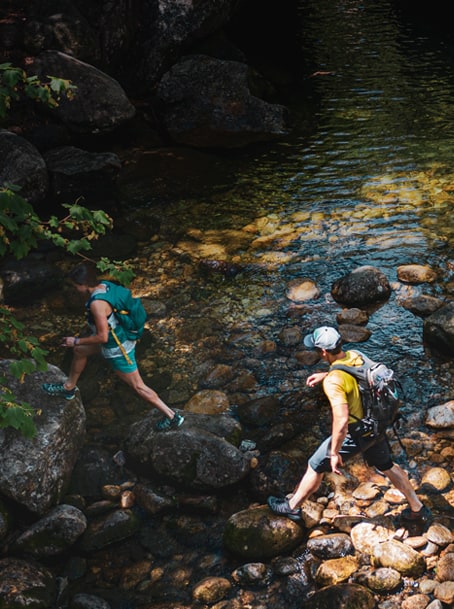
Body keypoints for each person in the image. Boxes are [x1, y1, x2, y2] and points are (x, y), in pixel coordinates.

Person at [267, 326, 430, 525]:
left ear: (324, 352)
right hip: (376, 425)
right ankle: (417, 509)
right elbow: (354, 375)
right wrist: (325, 374)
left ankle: (292, 507)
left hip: (357, 432)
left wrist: (335, 452)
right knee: (387, 465)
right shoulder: (356, 355)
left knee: (315, 464)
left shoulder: (334, 381)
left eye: (317, 350)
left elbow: (342, 420)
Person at [42, 261, 184, 432]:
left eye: (75, 286)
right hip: (117, 338)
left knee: (138, 386)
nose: (74, 290)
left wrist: (76, 340)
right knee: (79, 352)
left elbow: (103, 336)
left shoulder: (97, 304)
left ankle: (172, 416)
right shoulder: (105, 286)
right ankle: (68, 388)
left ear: (83, 285)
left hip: (117, 348)